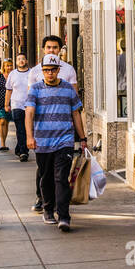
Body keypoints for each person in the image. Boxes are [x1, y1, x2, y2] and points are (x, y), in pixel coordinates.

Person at [25, 54, 86, 233]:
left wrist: (82, 138)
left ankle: (64, 216)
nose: (49, 73)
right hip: (43, 142)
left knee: (61, 178)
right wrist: (29, 137)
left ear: (59, 70)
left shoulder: (68, 89)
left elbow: (76, 114)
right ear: (42, 71)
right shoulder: (35, 89)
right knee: (46, 178)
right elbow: (29, 113)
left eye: (53, 70)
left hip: (64, 140)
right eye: (46, 70)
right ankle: (48, 209)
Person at [27, 36, 77, 210]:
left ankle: (59, 204)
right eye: (48, 47)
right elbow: (30, 104)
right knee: (44, 171)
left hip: (63, 131)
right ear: (43, 49)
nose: (52, 50)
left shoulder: (68, 70)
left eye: (55, 47)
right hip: (44, 131)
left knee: (61, 173)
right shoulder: (35, 72)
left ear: (60, 49)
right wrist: (31, 133)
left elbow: (74, 101)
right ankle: (41, 198)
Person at [6, 53, 32, 162]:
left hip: (30, 105)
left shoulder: (32, 73)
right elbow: (9, 90)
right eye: (19, 59)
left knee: (27, 129)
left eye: (23, 59)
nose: (21, 61)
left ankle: (19, 148)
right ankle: (23, 152)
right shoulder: (13, 74)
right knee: (20, 129)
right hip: (16, 105)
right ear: (16, 62)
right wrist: (6, 104)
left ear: (26, 61)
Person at [0, 58, 14, 151]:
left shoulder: (14, 75)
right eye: (7, 65)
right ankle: (2, 144)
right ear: (4, 66)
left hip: (11, 102)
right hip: (0, 102)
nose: (9, 67)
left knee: (6, 122)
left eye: (10, 65)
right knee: (2, 122)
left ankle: (4, 142)